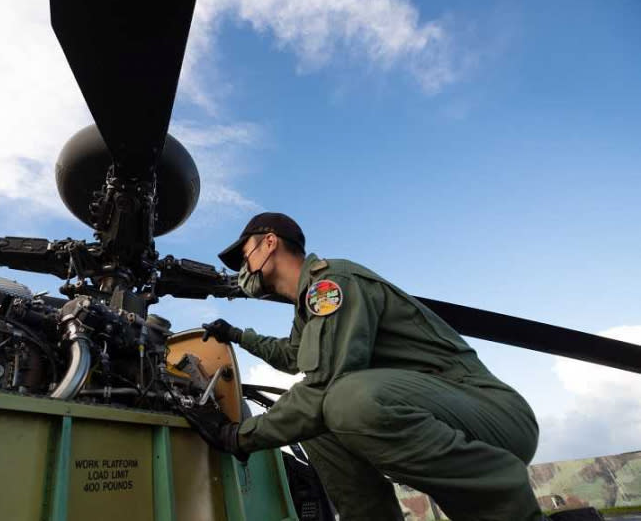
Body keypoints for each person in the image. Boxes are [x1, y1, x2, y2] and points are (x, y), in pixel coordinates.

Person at [183, 212, 545, 521]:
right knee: (315, 424)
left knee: (342, 400)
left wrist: (237, 436)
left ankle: (506, 508)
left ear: (270, 243)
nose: (244, 269)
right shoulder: (308, 304)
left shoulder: (333, 283)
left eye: (245, 256)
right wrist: (237, 335)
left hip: (491, 413)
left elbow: (323, 383)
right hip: (440, 410)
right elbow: (293, 356)